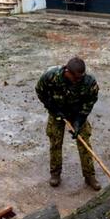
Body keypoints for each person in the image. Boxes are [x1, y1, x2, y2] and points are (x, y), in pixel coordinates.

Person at [35, 57, 101, 191]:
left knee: (84, 143)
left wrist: (79, 121)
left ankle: (89, 176)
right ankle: (55, 173)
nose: (78, 81)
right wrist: (52, 108)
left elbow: (90, 102)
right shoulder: (51, 76)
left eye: (80, 78)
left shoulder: (89, 83)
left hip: (77, 113)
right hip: (57, 112)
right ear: (67, 71)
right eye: (75, 78)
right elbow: (40, 91)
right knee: (55, 142)